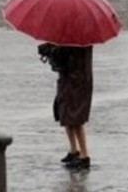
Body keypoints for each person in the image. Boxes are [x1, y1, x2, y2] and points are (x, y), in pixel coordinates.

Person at [38, 43, 94, 171]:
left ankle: (84, 156)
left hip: (77, 82)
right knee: (65, 115)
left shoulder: (81, 40)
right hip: (68, 81)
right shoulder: (69, 38)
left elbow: (66, 58)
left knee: (76, 119)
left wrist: (52, 51)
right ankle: (74, 150)